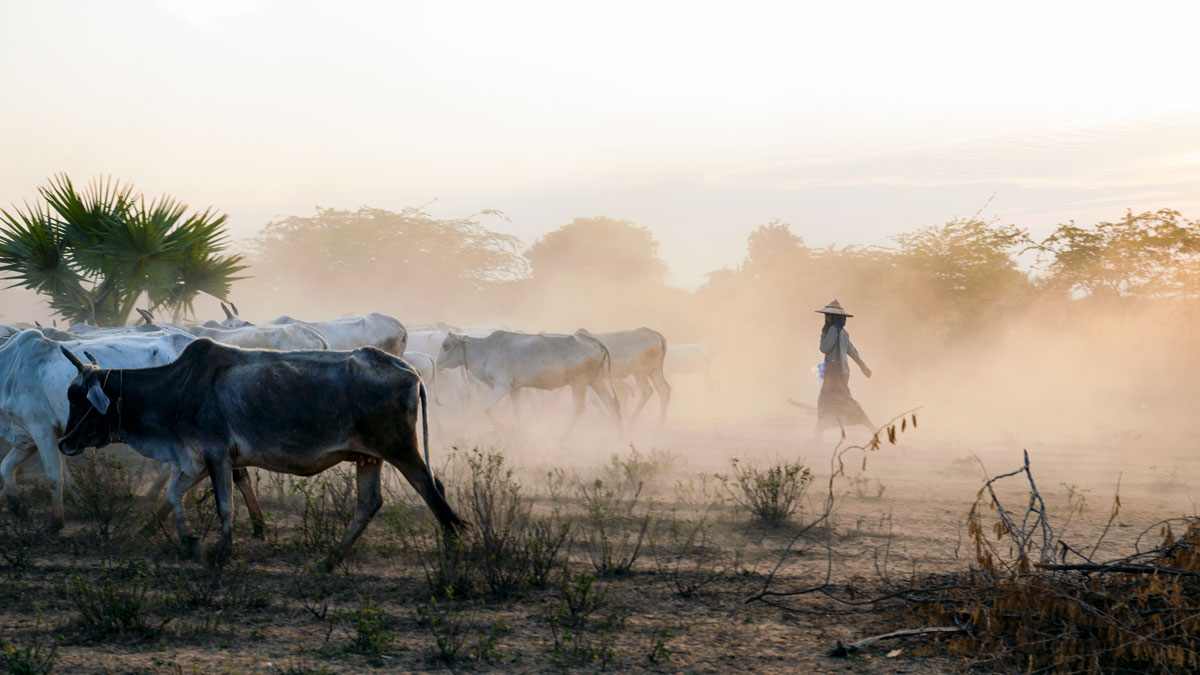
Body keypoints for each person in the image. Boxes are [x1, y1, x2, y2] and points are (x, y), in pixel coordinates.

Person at [814, 299, 873, 440]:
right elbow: (853, 351)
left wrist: (823, 334)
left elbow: (824, 348)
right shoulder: (843, 332)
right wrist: (863, 367)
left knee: (832, 402)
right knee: (832, 402)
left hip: (833, 375)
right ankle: (819, 435)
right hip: (842, 373)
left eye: (828, 315)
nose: (826, 318)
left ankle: (871, 427)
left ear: (834, 317)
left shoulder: (833, 330)